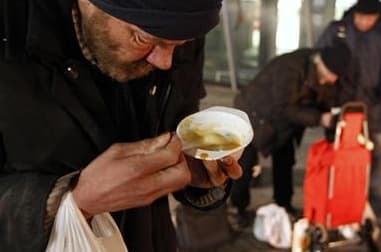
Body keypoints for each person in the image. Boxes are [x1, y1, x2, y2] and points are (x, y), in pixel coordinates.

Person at [0, 0, 244, 251]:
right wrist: (73, 201)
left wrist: (193, 168)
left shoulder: (175, 29)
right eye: (141, 38)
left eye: (180, 44)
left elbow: (178, 118)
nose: (165, 62)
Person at [230, 42, 355, 228]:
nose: (332, 80)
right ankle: (237, 208)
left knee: (285, 161)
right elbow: (284, 107)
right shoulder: (290, 67)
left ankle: (284, 205)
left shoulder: (327, 76)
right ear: (321, 65)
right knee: (244, 164)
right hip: (254, 114)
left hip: (285, 122)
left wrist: (333, 134)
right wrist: (320, 118)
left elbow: (329, 103)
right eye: (330, 75)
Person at [317, 0, 381, 197]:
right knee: (337, 145)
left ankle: (364, 185)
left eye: (370, 18)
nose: (364, 22)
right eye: (360, 17)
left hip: (373, 102)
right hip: (340, 100)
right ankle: (337, 185)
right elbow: (320, 59)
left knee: (379, 148)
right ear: (354, 13)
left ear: (378, 17)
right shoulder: (337, 29)